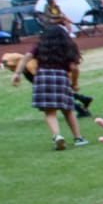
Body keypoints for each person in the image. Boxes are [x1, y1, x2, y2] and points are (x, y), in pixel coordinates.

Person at [28, 22, 84, 151]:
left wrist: (18, 74)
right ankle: (78, 137)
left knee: (50, 112)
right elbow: (73, 68)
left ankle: (57, 135)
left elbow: (27, 56)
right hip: (60, 77)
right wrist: (74, 83)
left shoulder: (39, 46)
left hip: (42, 77)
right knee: (68, 110)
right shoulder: (68, 47)